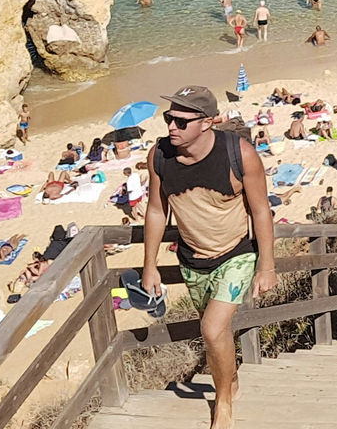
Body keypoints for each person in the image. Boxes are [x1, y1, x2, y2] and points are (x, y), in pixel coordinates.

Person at [139, 85, 277, 429]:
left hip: (236, 254)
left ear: (206, 123)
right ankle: (230, 381)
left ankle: (224, 403)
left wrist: (266, 266)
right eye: (169, 118)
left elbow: (261, 211)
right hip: (191, 259)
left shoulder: (239, 154)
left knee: (212, 330)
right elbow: (157, 211)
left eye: (180, 121)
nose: (171, 126)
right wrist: (150, 265)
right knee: (217, 334)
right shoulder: (159, 157)